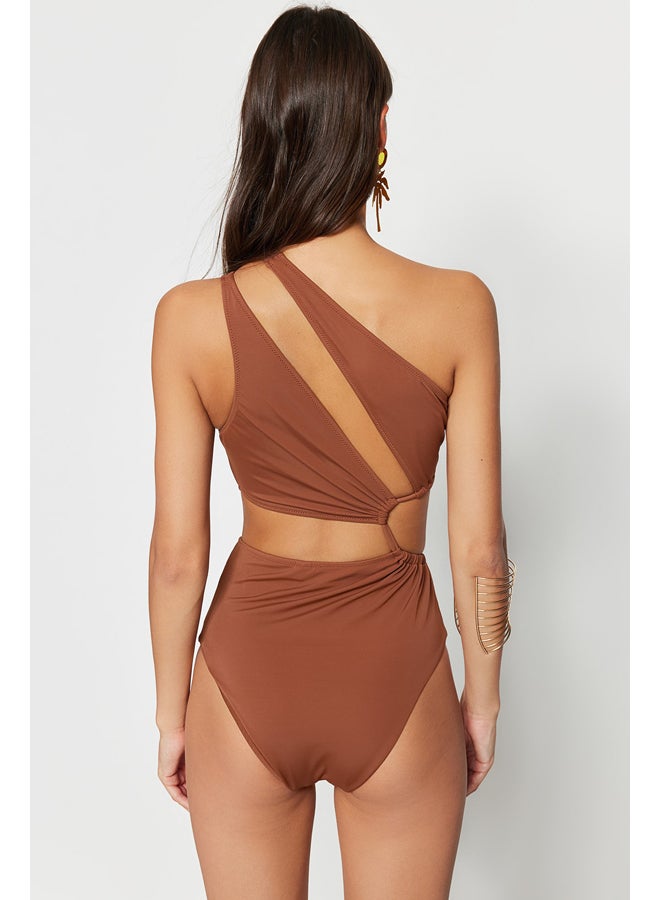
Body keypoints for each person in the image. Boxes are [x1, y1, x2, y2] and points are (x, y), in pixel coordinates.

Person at [148, 5, 515, 898]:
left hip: (247, 672)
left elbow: (177, 555)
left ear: (264, 131)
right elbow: (480, 550)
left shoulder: (189, 321)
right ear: (378, 128)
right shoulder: (459, 307)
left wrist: (172, 716)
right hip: (396, 672)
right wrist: (482, 699)